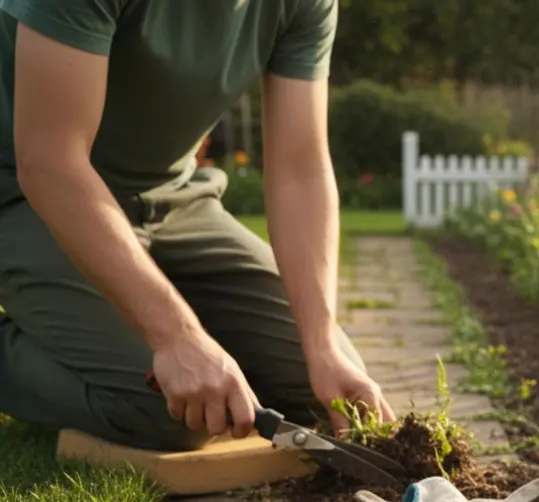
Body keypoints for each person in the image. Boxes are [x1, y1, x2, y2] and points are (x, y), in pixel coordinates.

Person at [0, 0, 396, 452]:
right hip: (25, 196)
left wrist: (322, 343)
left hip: (175, 200)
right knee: (167, 412)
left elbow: (299, 172)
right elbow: (50, 164)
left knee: (324, 396)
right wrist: (177, 337)